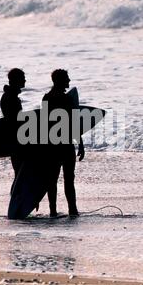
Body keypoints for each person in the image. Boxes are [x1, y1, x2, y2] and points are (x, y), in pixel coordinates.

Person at [43, 69, 85, 217]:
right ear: (59, 81)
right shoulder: (67, 100)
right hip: (66, 145)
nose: (69, 80)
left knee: (52, 180)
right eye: (66, 78)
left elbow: (44, 124)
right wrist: (80, 143)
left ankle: (53, 211)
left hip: (52, 145)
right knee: (69, 180)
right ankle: (72, 210)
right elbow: (73, 122)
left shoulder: (46, 98)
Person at [0, 68, 26, 192]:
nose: (25, 80)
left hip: (14, 139)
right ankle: (16, 203)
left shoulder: (10, 96)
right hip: (16, 141)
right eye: (22, 78)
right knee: (20, 173)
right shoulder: (11, 98)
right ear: (16, 80)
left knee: (19, 173)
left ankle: (17, 202)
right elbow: (15, 122)